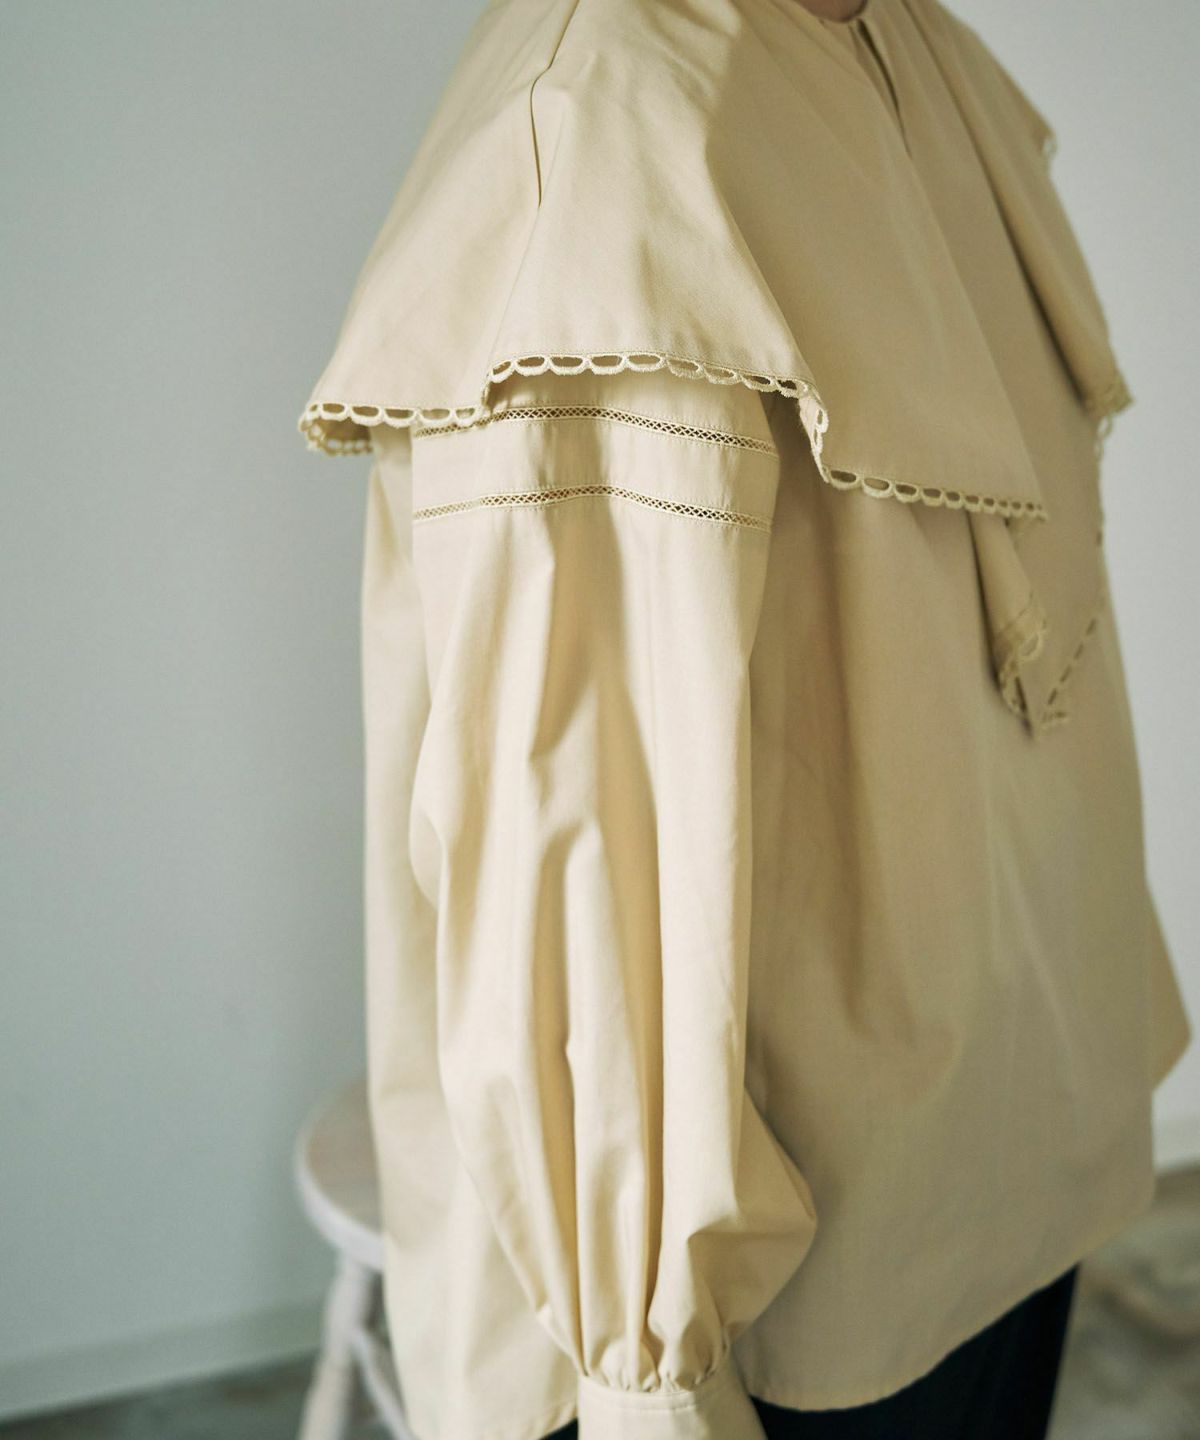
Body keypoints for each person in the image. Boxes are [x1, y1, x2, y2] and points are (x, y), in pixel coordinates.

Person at [298, 2, 1193, 1437]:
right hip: (820, 1271)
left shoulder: (903, 43)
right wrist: (653, 1386)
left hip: (1017, 1115)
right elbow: (585, 886)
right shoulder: (608, 149)